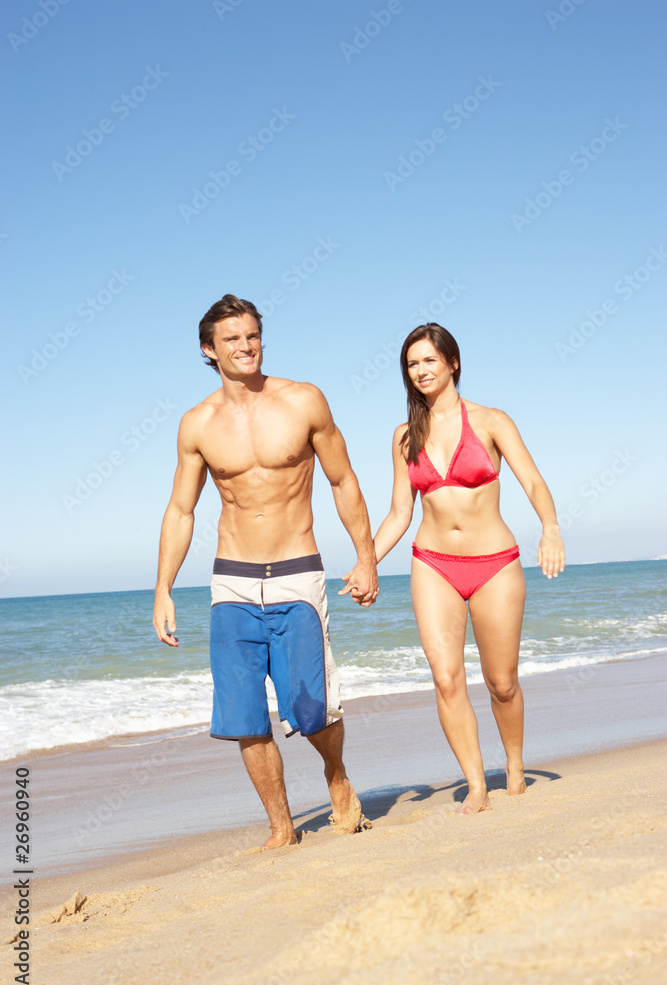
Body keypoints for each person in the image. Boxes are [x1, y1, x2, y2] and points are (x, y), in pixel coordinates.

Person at [153, 294, 378, 848]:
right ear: (209, 350)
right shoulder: (197, 424)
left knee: (312, 707)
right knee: (242, 712)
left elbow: (343, 480)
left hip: (297, 572)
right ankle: (282, 828)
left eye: (252, 335)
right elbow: (181, 509)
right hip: (231, 578)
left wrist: (366, 555)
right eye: (231, 339)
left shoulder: (303, 401)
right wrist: (162, 589)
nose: (245, 346)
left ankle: (337, 775)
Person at [373, 323, 564, 815]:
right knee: (446, 678)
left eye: (429, 360)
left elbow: (535, 482)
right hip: (432, 564)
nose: (420, 371)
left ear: (452, 363)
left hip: (495, 565)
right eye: (412, 364)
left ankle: (515, 767)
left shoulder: (491, 421)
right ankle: (477, 783)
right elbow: (399, 513)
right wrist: (366, 561)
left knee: (502, 682)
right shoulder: (404, 437)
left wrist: (551, 529)